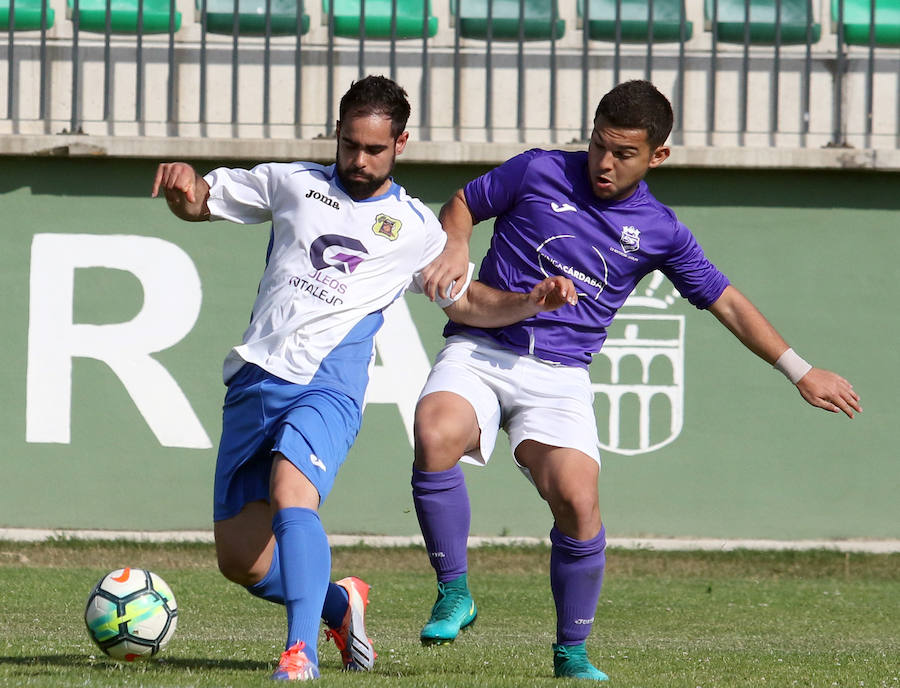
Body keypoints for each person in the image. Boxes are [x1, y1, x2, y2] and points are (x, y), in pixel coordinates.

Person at [411, 79, 862, 682]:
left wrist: (799, 370)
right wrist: (457, 243)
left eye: (624, 153)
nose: (604, 163)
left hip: (561, 378)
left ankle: (571, 654)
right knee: (434, 431)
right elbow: (465, 201)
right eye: (599, 145)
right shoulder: (537, 171)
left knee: (578, 500)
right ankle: (454, 592)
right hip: (481, 349)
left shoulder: (661, 230)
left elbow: (724, 300)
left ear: (658, 156)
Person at [151, 75, 578, 681]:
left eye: (374, 149)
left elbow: (466, 303)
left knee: (293, 493)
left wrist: (530, 302)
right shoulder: (292, 183)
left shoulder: (415, 227)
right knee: (241, 562)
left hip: (328, 384)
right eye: (349, 144)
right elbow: (199, 202)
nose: (358, 159)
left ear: (400, 143)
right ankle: (338, 602)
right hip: (255, 378)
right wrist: (182, 185)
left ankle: (299, 654)